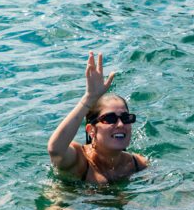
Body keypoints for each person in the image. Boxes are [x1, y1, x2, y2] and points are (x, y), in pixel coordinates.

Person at [47, 52, 147, 184]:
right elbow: (55, 149)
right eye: (110, 118)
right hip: (70, 201)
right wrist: (88, 99)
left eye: (125, 118)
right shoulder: (79, 159)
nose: (120, 124)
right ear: (91, 130)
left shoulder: (137, 163)